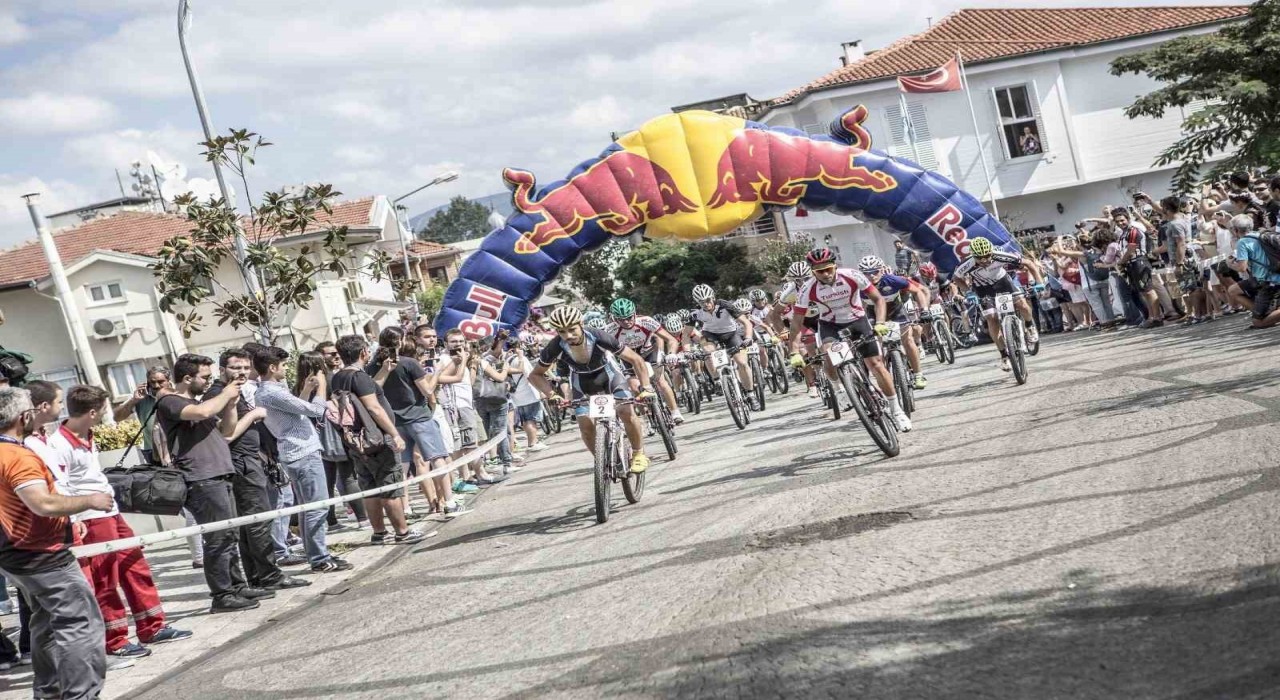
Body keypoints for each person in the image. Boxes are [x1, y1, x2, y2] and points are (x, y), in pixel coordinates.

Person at [49, 385, 193, 659]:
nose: (106, 415)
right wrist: (75, 518)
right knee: (105, 579)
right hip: (91, 518)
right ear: (92, 412)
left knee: (134, 566)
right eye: (102, 410)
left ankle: (152, 625)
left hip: (110, 512)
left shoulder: (87, 435)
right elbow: (61, 486)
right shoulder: (59, 444)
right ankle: (115, 639)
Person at [0, 386, 116, 699]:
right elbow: (43, 504)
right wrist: (89, 499)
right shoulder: (17, 456)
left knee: (46, 623)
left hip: (16, 556)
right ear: (24, 416)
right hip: (43, 555)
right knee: (80, 623)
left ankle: (49, 692)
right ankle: (80, 694)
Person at [157, 353, 275, 613]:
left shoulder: (195, 401)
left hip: (219, 474)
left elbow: (227, 431)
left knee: (229, 534)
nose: (209, 382)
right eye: (205, 377)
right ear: (187, 378)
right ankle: (222, 594)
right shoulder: (170, 401)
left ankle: (237, 585)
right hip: (201, 478)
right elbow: (204, 411)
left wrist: (232, 404)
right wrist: (227, 391)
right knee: (218, 538)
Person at [204, 350, 310, 590]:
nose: (241, 373)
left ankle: (258, 576)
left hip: (249, 461)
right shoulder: (219, 394)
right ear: (221, 370)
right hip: (240, 463)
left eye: (244, 368)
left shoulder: (234, 392)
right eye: (234, 368)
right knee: (258, 521)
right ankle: (269, 575)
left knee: (252, 523)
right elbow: (226, 435)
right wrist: (254, 415)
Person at [254, 346, 360, 571]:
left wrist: (306, 389)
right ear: (272, 368)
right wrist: (320, 387)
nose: (285, 369)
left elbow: (297, 412)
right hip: (302, 453)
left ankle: (317, 555)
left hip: (299, 452)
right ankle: (320, 558)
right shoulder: (271, 392)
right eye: (283, 366)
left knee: (308, 507)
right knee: (317, 507)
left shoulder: (271, 391)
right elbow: (314, 411)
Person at [785, 248, 911, 431]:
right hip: (831, 325)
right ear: (813, 272)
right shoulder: (807, 288)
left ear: (835, 266)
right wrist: (794, 351)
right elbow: (796, 323)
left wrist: (881, 322)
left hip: (857, 320)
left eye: (829, 269)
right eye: (820, 271)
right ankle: (839, 389)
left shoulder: (852, 275)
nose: (826, 274)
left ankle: (896, 409)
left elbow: (878, 300)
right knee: (828, 354)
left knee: (876, 365)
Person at [527, 306, 654, 474]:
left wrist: (646, 387)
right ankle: (603, 462)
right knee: (585, 425)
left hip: (608, 375)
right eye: (562, 332)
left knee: (625, 411)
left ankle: (639, 454)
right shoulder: (556, 345)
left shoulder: (598, 335)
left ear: (581, 324)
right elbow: (535, 375)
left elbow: (636, 359)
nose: (568, 336)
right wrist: (552, 394)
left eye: (572, 330)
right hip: (581, 380)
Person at [330, 335, 425, 543]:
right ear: (364, 352)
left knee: (370, 487)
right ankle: (402, 532)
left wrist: (384, 371)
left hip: (358, 441)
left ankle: (379, 532)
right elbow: (374, 407)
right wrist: (394, 433)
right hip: (377, 440)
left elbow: (369, 391)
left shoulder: (339, 377)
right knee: (390, 486)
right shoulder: (359, 377)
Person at [368, 327, 458, 519]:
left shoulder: (375, 365)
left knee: (403, 466)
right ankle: (450, 502)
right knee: (437, 457)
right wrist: (436, 372)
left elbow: (373, 389)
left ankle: (406, 508)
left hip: (393, 421)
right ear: (400, 341)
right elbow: (427, 391)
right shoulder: (409, 363)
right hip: (419, 416)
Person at [949, 237, 1044, 372]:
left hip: (1003, 283)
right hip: (982, 290)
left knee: (1022, 304)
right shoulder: (967, 263)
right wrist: (969, 292)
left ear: (991, 252)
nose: (984, 260)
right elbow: (956, 278)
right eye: (979, 258)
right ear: (973, 255)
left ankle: (1029, 326)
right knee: (992, 319)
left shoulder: (1000, 255)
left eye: (987, 256)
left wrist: (1039, 282)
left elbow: (1029, 263)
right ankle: (1004, 355)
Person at [857, 255, 932, 390]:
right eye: (867, 274)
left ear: (881, 270)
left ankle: (918, 374)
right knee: (874, 348)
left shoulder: (893, 280)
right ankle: (882, 376)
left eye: (875, 271)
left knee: (908, 340)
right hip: (873, 315)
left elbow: (918, 292)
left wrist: (924, 310)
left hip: (897, 313)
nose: (872, 276)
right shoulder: (858, 287)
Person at [686, 284, 758, 408]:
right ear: (697, 302)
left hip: (731, 334)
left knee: (742, 363)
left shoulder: (725, 305)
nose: (706, 304)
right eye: (702, 302)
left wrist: (748, 337)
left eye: (708, 300)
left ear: (713, 297)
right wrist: (687, 351)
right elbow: (686, 335)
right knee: (708, 352)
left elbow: (746, 322)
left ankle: (751, 395)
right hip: (711, 335)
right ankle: (717, 380)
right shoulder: (695, 313)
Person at [1228, 213, 1280, 328]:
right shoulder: (1260, 235)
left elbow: (1242, 268)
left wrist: (1230, 265)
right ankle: (1263, 313)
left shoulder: (1242, 242)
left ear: (1236, 230)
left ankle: (1266, 317)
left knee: (1258, 323)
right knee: (1233, 290)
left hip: (1268, 281)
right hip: (1270, 277)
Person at [111, 367, 170, 465]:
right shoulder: (140, 397)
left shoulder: (178, 394)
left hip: (177, 449)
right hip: (153, 452)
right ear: (147, 383)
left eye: (161, 381)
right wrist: (134, 400)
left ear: (168, 381)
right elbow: (117, 417)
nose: (156, 385)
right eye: (152, 382)